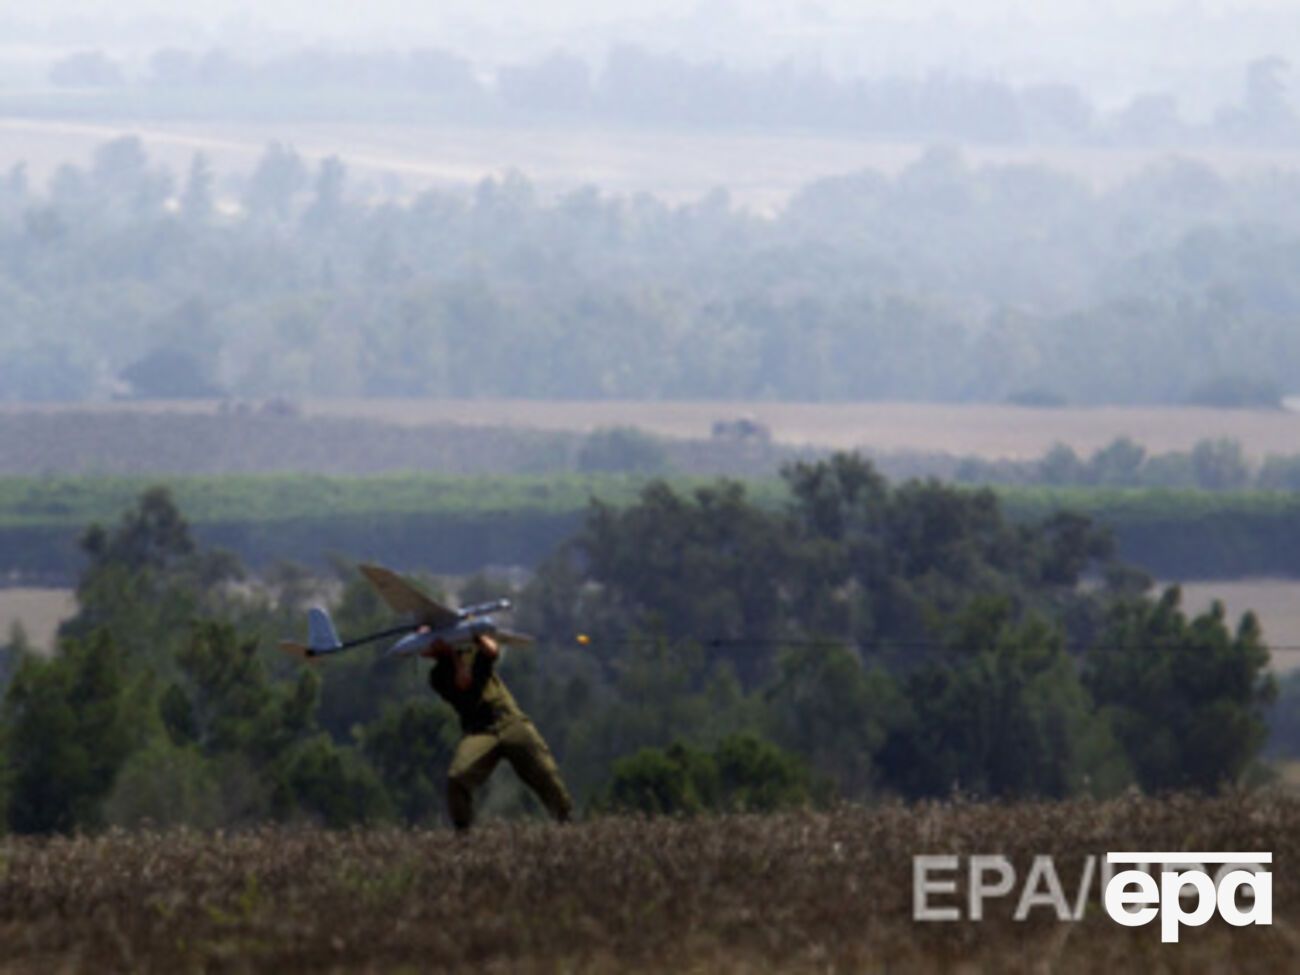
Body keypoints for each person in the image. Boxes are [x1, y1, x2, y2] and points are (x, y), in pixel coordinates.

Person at [422, 629, 572, 831]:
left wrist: (474, 632)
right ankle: (463, 835)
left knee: (545, 773)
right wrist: (452, 655)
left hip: (510, 720)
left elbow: (492, 651)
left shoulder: (472, 651)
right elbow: (464, 682)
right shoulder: (438, 677)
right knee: (458, 777)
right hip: (480, 730)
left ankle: (566, 822)